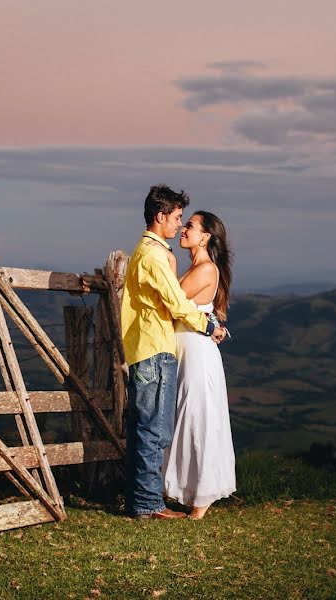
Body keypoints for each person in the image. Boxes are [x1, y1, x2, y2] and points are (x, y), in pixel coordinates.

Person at [121, 185, 227, 520]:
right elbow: (177, 302)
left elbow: (177, 301)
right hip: (154, 346)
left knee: (154, 427)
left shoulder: (156, 254)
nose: (180, 225)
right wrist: (208, 325)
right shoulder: (154, 255)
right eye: (178, 217)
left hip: (159, 346)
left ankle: (148, 499)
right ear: (160, 216)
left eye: (186, 221)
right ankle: (147, 503)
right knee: (153, 428)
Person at [163, 211, 236, 519]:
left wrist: (168, 265)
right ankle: (187, 490)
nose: (183, 229)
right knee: (185, 418)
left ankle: (201, 502)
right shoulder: (199, 267)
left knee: (198, 421)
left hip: (196, 354)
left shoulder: (205, 269)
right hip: (186, 350)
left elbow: (172, 302)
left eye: (190, 226)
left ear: (205, 236)